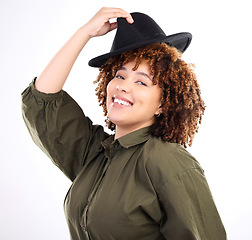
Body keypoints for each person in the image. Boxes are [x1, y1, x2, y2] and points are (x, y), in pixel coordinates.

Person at [21, 7, 226, 240]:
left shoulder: (168, 161)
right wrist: (84, 33)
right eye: (119, 76)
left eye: (141, 82)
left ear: (163, 103)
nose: (123, 86)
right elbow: (42, 100)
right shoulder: (94, 152)